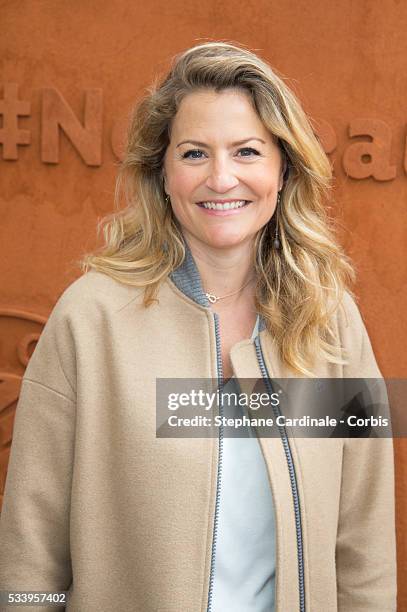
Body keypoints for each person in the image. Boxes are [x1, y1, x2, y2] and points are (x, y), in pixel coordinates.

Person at [0, 41, 397, 611]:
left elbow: (363, 543)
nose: (221, 178)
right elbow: (30, 551)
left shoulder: (330, 321)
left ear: (282, 170)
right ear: (162, 173)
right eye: (193, 154)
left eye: (247, 152)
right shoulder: (89, 319)